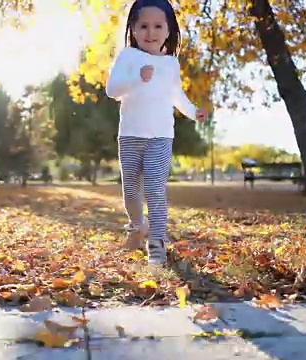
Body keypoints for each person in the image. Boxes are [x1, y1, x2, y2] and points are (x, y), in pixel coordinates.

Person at [106, 0, 206, 265]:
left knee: (154, 188)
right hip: (130, 135)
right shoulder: (128, 56)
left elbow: (176, 95)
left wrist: (193, 111)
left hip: (161, 136)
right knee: (130, 192)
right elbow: (112, 90)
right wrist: (137, 77)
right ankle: (137, 226)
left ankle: (157, 242)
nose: (151, 32)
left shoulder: (171, 63)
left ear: (169, 30)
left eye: (158, 26)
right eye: (144, 26)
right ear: (134, 29)